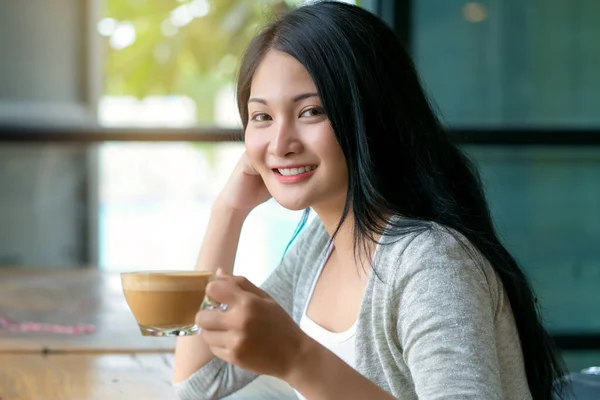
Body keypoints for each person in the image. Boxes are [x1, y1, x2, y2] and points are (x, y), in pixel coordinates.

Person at [173, 1, 567, 399]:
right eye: (262, 117)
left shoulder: (431, 265)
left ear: (369, 115)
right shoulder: (318, 248)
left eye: (311, 111)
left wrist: (298, 359)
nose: (280, 144)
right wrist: (229, 211)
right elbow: (197, 385)